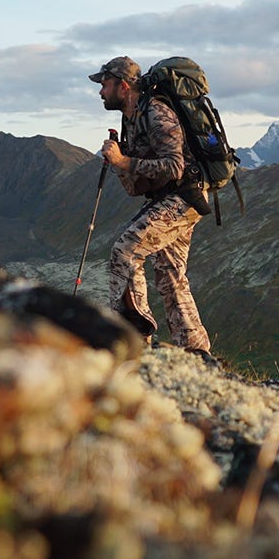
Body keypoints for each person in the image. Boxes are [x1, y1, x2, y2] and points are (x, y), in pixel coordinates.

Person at [88, 56, 214, 359]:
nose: (100, 91)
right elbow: (136, 186)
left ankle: (134, 336)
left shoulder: (157, 113)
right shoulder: (132, 119)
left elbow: (174, 167)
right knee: (170, 273)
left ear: (124, 84)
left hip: (184, 198)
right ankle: (196, 352)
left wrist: (123, 161)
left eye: (104, 84)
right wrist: (121, 165)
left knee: (126, 249)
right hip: (171, 200)